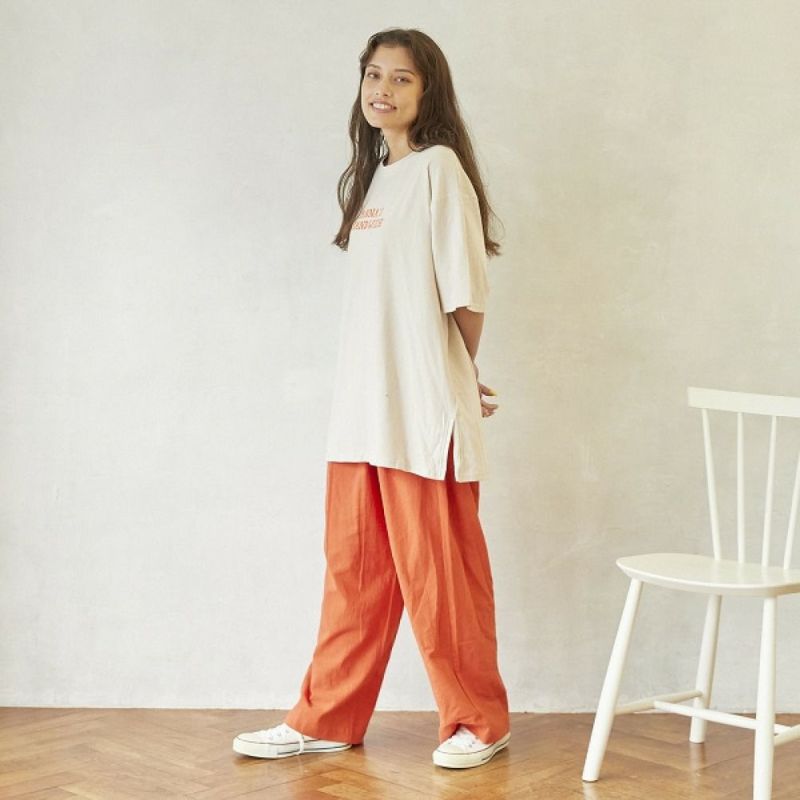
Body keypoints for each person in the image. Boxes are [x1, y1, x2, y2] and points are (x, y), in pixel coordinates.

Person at [233, 26, 509, 770]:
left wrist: (456, 373)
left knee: (440, 578)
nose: (383, 90)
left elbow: (465, 292)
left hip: (420, 414)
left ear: (428, 92)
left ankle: (478, 721)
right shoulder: (376, 179)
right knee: (354, 578)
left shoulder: (439, 170)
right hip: (360, 413)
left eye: (402, 79)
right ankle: (327, 717)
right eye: (374, 75)